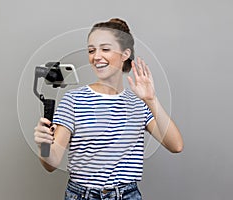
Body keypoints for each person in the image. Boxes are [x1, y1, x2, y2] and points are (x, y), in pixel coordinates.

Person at [34, 18, 183, 200]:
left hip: (127, 195)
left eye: (105, 49)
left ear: (125, 54)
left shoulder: (139, 103)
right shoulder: (73, 100)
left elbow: (176, 145)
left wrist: (151, 99)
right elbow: (51, 163)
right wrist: (44, 147)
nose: (96, 56)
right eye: (91, 50)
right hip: (82, 196)